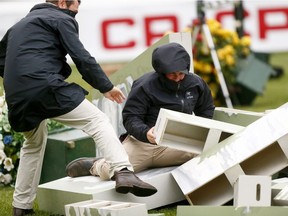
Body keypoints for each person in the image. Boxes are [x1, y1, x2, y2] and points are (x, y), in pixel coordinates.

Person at [0, 1, 157, 215]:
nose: (77, 11)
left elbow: (2, 61)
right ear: (63, 3)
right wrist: (106, 86)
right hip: (46, 86)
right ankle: (123, 171)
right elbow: (81, 57)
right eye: (76, 5)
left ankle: (21, 206)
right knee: (97, 121)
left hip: (17, 95)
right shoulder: (61, 18)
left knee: (32, 144)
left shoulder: (17, 26)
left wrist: (24, 82)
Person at [66, 43, 215, 177]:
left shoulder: (196, 83)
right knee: (114, 172)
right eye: (172, 74)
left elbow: (206, 109)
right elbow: (130, 118)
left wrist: (198, 132)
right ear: (161, 72)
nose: (177, 78)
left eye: (181, 73)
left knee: (211, 153)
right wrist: (146, 133)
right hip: (142, 144)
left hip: (177, 144)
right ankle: (96, 165)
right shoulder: (144, 85)